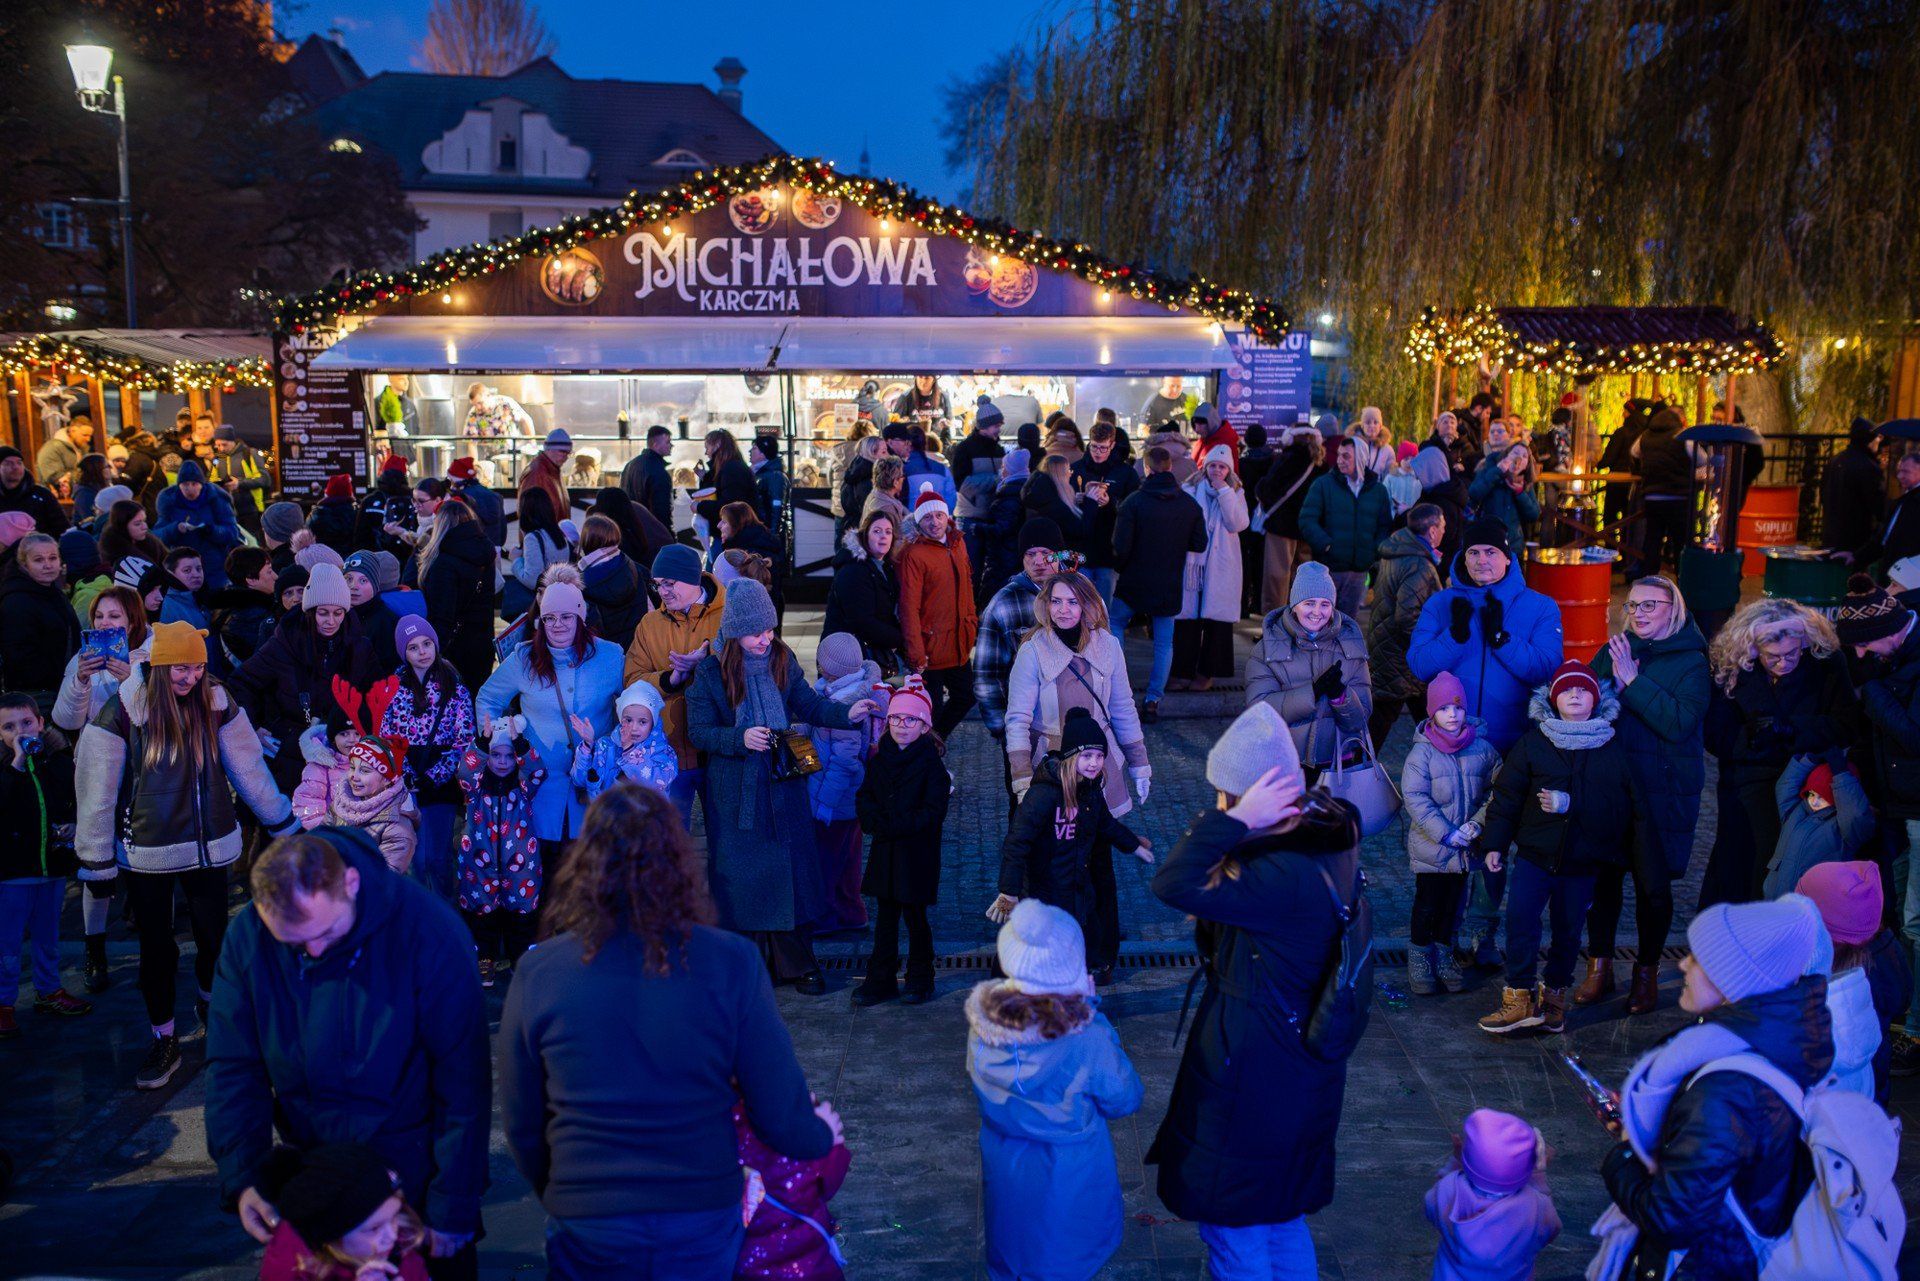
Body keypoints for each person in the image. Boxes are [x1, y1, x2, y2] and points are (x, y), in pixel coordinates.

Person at [501, 780, 839, 1278]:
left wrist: (566, 1190)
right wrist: (819, 1137)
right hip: (699, 1210)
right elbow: (778, 1108)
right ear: (675, 859)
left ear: (584, 864)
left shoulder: (539, 973)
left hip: (588, 1216)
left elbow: (523, 1122)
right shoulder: (731, 962)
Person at [206, 826, 488, 1278]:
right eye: (295, 944)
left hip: (411, 1182)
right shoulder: (250, 935)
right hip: (319, 1186)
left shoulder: (429, 931)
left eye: (325, 931)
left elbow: (464, 1085)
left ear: (351, 883)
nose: (314, 951)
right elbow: (233, 1065)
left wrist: (453, 1204)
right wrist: (243, 1175)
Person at [1147, 705, 1360, 1277]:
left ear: (1256, 799)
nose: (1215, 806)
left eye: (1223, 796)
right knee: (1280, 1217)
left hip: (1254, 1079)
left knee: (1235, 1229)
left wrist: (1234, 824)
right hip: (1291, 1071)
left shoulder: (1278, 877)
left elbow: (1173, 881)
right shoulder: (1321, 844)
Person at [76, 622, 298, 1090]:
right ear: (158, 666)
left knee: (215, 938)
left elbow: (248, 765)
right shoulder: (124, 710)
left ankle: (211, 1005)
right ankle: (164, 1038)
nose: (191, 677)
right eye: (181, 667)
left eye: (198, 666)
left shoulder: (216, 701)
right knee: (156, 949)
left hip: (210, 844)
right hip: (148, 851)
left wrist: (279, 819)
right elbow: (96, 790)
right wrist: (96, 859)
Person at [1597, 897, 1835, 1281]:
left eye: (1699, 957)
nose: (1683, 964)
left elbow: (1671, 1219)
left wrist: (1624, 1155)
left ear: (1734, 981)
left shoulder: (1727, 1091)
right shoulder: (1761, 1045)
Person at [685, 578, 876, 993]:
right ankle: (748, 969)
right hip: (736, 793)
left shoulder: (782, 658)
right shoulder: (709, 672)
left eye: (770, 629)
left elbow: (809, 703)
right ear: (736, 631)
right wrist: (740, 739)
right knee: (742, 880)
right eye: (757, 632)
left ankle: (798, 964)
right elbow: (699, 731)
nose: (766, 639)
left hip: (784, 781)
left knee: (792, 872)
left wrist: (848, 714)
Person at [968, 899, 1143, 1281]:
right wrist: (1088, 1007)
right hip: (1070, 1175)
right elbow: (1124, 1097)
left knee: (1016, 1257)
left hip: (1006, 1167)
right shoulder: (1088, 1037)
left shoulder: (985, 1027)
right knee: (1066, 1261)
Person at [1476, 660, 1637, 1036]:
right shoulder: (1534, 743)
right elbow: (1507, 798)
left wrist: (1571, 803)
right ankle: (1518, 998)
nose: (1575, 695)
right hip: (1535, 855)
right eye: (1567, 690)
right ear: (1553, 700)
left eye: (1583, 690)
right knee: (1521, 923)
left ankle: (1554, 1000)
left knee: (1568, 930)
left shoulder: (1610, 744)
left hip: (1582, 861)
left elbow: (1619, 805)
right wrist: (1495, 844)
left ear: (1596, 699)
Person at [1581, 574, 1711, 1016]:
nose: (1637, 614)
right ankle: (1598, 969)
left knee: (1653, 888)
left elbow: (1678, 723)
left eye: (1649, 606)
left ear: (1673, 609)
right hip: (1613, 787)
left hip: (1663, 792)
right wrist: (1603, 693)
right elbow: (1586, 706)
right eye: (1632, 606)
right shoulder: (1615, 649)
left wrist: (1633, 683)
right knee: (1604, 883)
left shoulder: (1693, 660)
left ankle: (1647, 973)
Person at [1700, 598, 1857, 908]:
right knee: (1739, 860)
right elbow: (1715, 735)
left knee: (1798, 857)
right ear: (1754, 648)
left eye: (1792, 653)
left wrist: (1791, 729)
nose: (1784, 663)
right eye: (1773, 657)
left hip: (1806, 783)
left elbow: (1847, 723)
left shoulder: (1826, 663)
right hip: (1746, 781)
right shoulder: (1732, 669)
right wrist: (1753, 735)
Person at [476, 579, 625, 875]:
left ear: (580, 616)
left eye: (566, 616)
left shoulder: (610, 656)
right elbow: (488, 698)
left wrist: (615, 745)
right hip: (540, 786)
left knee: (592, 869)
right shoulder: (524, 658)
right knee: (546, 868)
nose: (557, 625)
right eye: (549, 618)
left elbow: (631, 706)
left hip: (594, 783)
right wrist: (502, 741)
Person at [232, 563, 380, 796]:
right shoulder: (284, 642)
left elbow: (376, 696)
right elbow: (242, 683)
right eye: (323, 613)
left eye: (338, 613)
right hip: (292, 751)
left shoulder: (359, 646)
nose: (330, 621)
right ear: (310, 611)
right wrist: (253, 727)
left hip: (344, 753)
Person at [850, 683, 951, 1006]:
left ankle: (921, 978)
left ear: (924, 726)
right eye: (895, 719)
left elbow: (932, 813)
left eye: (910, 720)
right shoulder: (881, 760)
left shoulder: (932, 767)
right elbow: (866, 795)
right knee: (885, 918)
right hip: (887, 853)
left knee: (916, 918)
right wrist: (871, 818)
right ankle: (880, 979)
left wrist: (890, 825)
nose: (901, 726)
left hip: (915, 854)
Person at [1401, 672, 1500, 998]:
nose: (1452, 715)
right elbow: (1416, 799)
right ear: (1432, 712)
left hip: (1465, 848)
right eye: (1444, 709)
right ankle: (1419, 957)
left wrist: (1476, 824)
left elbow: (1496, 791)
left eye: (1457, 708)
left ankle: (1444, 954)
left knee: (1453, 904)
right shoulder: (1422, 754)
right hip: (1434, 847)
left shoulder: (1482, 749)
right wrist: (1446, 833)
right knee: (1427, 902)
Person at [0, 693, 89, 1038]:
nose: (19, 731)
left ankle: (49, 990)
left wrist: (73, 824)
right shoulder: (6, 769)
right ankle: (4, 1003)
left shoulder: (58, 760)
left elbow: (75, 797)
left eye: (26, 723)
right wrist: (16, 764)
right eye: (8, 727)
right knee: (6, 945)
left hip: (51, 867)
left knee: (48, 936)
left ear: (40, 723)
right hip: (11, 874)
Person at [623, 543, 727, 829]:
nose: (663, 592)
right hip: (667, 756)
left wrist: (707, 665)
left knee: (726, 844)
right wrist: (671, 679)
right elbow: (632, 681)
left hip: (718, 753)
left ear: (693, 578)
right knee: (671, 843)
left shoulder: (727, 615)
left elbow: (747, 673)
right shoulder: (649, 624)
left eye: (670, 583)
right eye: (658, 585)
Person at [1245, 561, 1374, 774]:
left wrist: (1340, 696)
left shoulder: (1350, 644)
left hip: (1338, 765)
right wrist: (1311, 694)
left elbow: (1360, 718)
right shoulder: (1268, 647)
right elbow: (1259, 711)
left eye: (1325, 604)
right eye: (1309, 603)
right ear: (1294, 605)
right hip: (1284, 763)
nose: (1317, 612)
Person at [381, 615, 475, 901]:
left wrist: (442, 770)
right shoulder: (393, 689)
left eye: (426, 644)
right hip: (406, 782)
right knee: (416, 860)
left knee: (439, 857)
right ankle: (420, 915)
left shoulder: (454, 688)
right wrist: (404, 770)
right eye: (413, 647)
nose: (422, 652)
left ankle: (447, 913)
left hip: (441, 780)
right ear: (403, 652)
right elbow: (387, 734)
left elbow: (465, 735)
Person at [1111, 446, 1208, 721]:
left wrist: (1122, 566)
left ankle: (1121, 689)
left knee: (1115, 625)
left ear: (1147, 468)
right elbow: (1200, 543)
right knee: (1164, 643)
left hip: (1134, 580)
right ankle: (1153, 699)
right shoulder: (1188, 505)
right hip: (1168, 582)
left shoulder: (1133, 502)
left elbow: (1120, 548)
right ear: (1169, 468)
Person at [974, 520, 1062, 803]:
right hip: (1025, 730)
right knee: (1026, 811)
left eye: (1046, 553)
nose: (1038, 561)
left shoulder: (1079, 597)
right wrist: (1004, 731)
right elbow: (987, 675)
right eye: (1030, 554)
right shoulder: (1003, 603)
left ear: (1059, 555)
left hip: (1071, 728)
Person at [255, 1143, 432, 1281]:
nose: (392, 1234)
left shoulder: (399, 1240)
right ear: (331, 1239)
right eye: (374, 1228)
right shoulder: (290, 1271)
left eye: (394, 1216)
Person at [455, 719, 544, 983]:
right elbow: (465, 771)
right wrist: (482, 743)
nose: (503, 761)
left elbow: (538, 771)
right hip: (479, 863)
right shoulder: (475, 788)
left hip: (521, 863)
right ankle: (486, 958)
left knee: (522, 912)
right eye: (496, 755)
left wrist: (519, 744)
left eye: (509, 756)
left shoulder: (524, 786)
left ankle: (521, 959)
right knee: (482, 911)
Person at [1422, 1109, 1559, 1281]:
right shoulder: (1537, 1206)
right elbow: (1549, 1232)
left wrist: (1456, 1163)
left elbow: (1430, 1207)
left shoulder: (1449, 1189)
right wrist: (1538, 1177)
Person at [809, 634, 881, 933]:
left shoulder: (845, 703)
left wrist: (825, 803)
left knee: (827, 860)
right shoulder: (843, 690)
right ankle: (852, 913)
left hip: (836, 799)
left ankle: (828, 916)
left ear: (829, 667)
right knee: (846, 857)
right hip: (843, 798)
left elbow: (844, 762)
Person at [898, 485, 979, 737]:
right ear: (919, 521)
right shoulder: (914, 554)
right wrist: (916, 651)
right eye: (927, 517)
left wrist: (972, 624)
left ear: (947, 516)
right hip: (930, 647)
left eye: (938, 515)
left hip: (959, 643)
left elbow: (968, 586)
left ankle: (935, 743)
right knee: (930, 709)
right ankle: (928, 754)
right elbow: (909, 607)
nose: (934, 522)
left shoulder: (958, 543)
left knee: (965, 697)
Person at [1365, 503, 1446, 746]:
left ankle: (1355, 773)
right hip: (1402, 660)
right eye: (1442, 526)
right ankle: (1354, 775)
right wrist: (1429, 649)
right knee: (1387, 721)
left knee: (1423, 717)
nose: (1444, 531)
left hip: (1390, 653)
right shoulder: (1419, 565)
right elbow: (1407, 616)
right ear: (1432, 531)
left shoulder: (1398, 553)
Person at [1172, 445, 1250, 692]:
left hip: (1221, 565)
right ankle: (1182, 671)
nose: (1217, 470)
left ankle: (1207, 672)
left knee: (1216, 622)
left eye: (1222, 466)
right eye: (1213, 465)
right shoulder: (1190, 489)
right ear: (1205, 467)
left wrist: (1224, 492)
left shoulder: (1235, 492)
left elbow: (1237, 523)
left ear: (1229, 470)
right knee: (1187, 621)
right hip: (1193, 566)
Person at [1297, 435, 1393, 618]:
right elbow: (1307, 520)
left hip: (1359, 571)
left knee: (1348, 624)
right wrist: (1327, 545)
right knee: (1323, 622)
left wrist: (1373, 551)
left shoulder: (1378, 490)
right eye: (1339, 455)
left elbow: (1384, 526)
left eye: (1346, 456)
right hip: (1329, 569)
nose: (1340, 460)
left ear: (1361, 458)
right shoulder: (1323, 485)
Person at [414, 499, 497, 693]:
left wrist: (432, 652)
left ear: (440, 525)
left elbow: (442, 614)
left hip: (454, 649)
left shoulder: (444, 563)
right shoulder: (486, 552)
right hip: (482, 642)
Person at [1765, 753, 1874, 897]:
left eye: (1822, 797)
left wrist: (1841, 775)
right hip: (1777, 899)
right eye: (1811, 794)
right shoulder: (1795, 811)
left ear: (1837, 798)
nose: (1814, 801)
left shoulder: (1843, 828)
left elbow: (1855, 815)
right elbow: (1785, 786)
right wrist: (1808, 760)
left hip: (1813, 906)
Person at [0, 532, 81, 709]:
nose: (47, 565)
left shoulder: (52, 592)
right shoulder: (17, 601)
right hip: (35, 698)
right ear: (24, 564)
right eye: (38, 560)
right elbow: (19, 657)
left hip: (61, 689)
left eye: (52, 558)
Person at [1253, 425, 1325, 614]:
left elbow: (1267, 490)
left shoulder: (1287, 458)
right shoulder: (1320, 463)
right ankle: (1302, 620)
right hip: (1308, 528)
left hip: (1281, 526)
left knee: (1277, 577)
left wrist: (1259, 488)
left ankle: (1275, 624)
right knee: (1302, 578)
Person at [822, 510, 905, 674]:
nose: (883, 536)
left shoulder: (885, 567)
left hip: (870, 651)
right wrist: (902, 638)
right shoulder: (854, 570)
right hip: (845, 658)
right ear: (865, 535)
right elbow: (862, 622)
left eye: (888, 532)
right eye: (877, 531)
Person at [568, 679, 678, 802]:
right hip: (609, 818)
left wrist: (630, 751)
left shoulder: (663, 752)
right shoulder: (605, 746)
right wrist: (587, 745)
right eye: (628, 720)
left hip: (646, 820)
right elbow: (580, 780)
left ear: (653, 723)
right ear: (620, 719)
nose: (634, 728)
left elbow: (656, 784)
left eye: (642, 722)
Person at [1073, 421, 1141, 611]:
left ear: (1112, 445)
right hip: (1081, 547)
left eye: (1103, 448)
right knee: (1080, 608)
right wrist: (1075, 499)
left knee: (1104, 609)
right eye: (1094, 446)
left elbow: (1133, 507)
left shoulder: (1125, 473)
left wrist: (1110, 502)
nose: (1098, 452)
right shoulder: (1077, 469)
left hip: (1108, 549)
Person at [1627, 406, 1692, 579]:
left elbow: (1634, 451)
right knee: (1680, 540)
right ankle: (1682, 577)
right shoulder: (1683, 435)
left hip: (1652, 495)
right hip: (1678, 495)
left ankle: (1649, 578)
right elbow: (1701, 459)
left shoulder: (1646, 435)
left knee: (1652, 538)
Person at [1843, 449, 1920, 578]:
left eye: (1906, 471)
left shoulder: (1913, 501)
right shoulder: (1902, 501)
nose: (1900, 476)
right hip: (1894, 570)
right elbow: (1884, 538)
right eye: (1899, 471)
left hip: (1908, 574)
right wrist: (1856, 556)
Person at [574, 514, 645, 650]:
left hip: (604, 652)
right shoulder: (632, 566)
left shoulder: (580, 582)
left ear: (587, 541)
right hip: (637, 647)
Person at [1820, 417, 1886, 558]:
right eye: (1877, 437)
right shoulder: (1869, 467)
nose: (1879, 442)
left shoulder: (1835, 460)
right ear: (1869, 439)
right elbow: (1878, 505)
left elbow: (1823, 495)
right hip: (1854, 540)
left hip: (1830, 535)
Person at [1466, 441, 1539, 560]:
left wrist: (1520, 493)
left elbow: (1534, 515)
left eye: (1524, 456)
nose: (1519, 458)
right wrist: (1498, 471)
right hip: (1486, 542)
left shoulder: (1525, 484)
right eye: (1515, 453)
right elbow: (1474, 493)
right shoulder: (1488, 471)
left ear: (1526, 464)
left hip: (1513, 545)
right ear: (1506, 456)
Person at [977, 449, 1033, 593]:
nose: (1001, 469)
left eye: (1004, 466)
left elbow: (1003, 528)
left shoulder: (1010, 493)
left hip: (1005, 555)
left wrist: (979, 528)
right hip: (1013, 553)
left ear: (1011, 469)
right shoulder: (1025, 487)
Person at [507, 486, 570, 616]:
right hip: (559, 599)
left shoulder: (533, 538)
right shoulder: (558, 534)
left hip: (542, 605)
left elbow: (532, 580)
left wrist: (515, 560)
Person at [719, 500, 786, 620]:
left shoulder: (745, 555)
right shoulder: (762, 540)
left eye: (724, 522)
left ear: (736, 525)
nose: (718, 526)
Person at [211, 546, 278, 664]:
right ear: (251, 580)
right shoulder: (253, 616)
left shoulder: (232, 605)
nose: (275, 576)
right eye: (269, 571)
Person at [344, 551, 401, 676]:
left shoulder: (386, 621)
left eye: (363, 580)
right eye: (348, 579)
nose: (354, 586)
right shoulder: (338, 615)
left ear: (375, 585)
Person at [209, 423, 270, 541]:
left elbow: (265, 479)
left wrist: (239, 483)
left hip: (251, 510)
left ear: (232, 441)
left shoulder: (249, 454)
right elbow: (211, 480)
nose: (221, 448)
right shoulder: (218, 458)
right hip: (227, 511)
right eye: (218, 445)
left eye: (224, 444)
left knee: (253, 544)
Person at [1021, 454, 1091, 556]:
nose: (1070, 474)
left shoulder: (1044, 496)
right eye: (1068, 470)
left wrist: (1077, 503)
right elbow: (1079, 530)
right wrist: (1091, 502)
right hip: (1063, 560)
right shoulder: (1052, 504)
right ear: (1060, 475)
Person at [696, 429, 757, 532]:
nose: (706, 453)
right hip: (729, 531)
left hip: (734, 533)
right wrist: (704, 477)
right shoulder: (728, 468)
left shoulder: (732, 470)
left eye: (707, 447)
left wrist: (699, 507)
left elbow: (730, 505)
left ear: (717, 445)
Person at [354, 454, 415, 556]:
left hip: (375, 558)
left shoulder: (370, 501)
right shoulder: (414, 500)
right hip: (407, 558)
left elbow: (359, 536)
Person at [619, 424, 677, 532]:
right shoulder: (659, 472)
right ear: (655, 445)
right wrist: (668, 537)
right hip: (651, 533)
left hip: (630, 531)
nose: (671, 445)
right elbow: (661, 511)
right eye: (668, 442)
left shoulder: (630, 465)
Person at [0, 446, 67, 535]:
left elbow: (62, 527)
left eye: (19, 463)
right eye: (8, 463)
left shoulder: (41, 495)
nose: (15, 467)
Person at [446, 456, 506, 549]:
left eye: (451, 481)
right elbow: (502, 531)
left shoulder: (461, 499)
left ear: (458, 481)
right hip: (494, 549)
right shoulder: (494, 496)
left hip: (471, 551)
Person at [518, 428, 573, 524]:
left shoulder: (553, 469)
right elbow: (531, 516)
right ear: (549, 450)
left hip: (551, 536)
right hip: (543, 537)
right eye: (562, 452)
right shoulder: (537, 473)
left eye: (568, 453)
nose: (565, 457)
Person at [35, 413, 92, 490]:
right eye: (85, 435)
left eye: (90, 436)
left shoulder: (82, 449)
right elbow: (54, 476)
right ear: (73, 430)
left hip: (75, 494)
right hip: (54, 498)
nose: (88, 439)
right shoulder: (52, 448)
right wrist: (85, 477)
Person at [306, 474, 359, 557]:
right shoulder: (356, 514)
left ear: (328, 492)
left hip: (321, 561)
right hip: (351, 563)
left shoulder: (316, 515)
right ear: (350, 493)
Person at [860, 453, 908, 533]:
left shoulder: (876, 495)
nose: (903, 479)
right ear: (895, 482)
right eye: (902, 475)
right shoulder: (886, 508)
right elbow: (892, 540)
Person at [747, 435, 787, 531]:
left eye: (754, 448)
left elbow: (777, 504)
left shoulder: (774, 476)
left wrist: (773, 533)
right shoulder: (757, 473)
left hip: (764, 530)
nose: (750, 451)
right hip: (757, 528)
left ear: (763, 453)